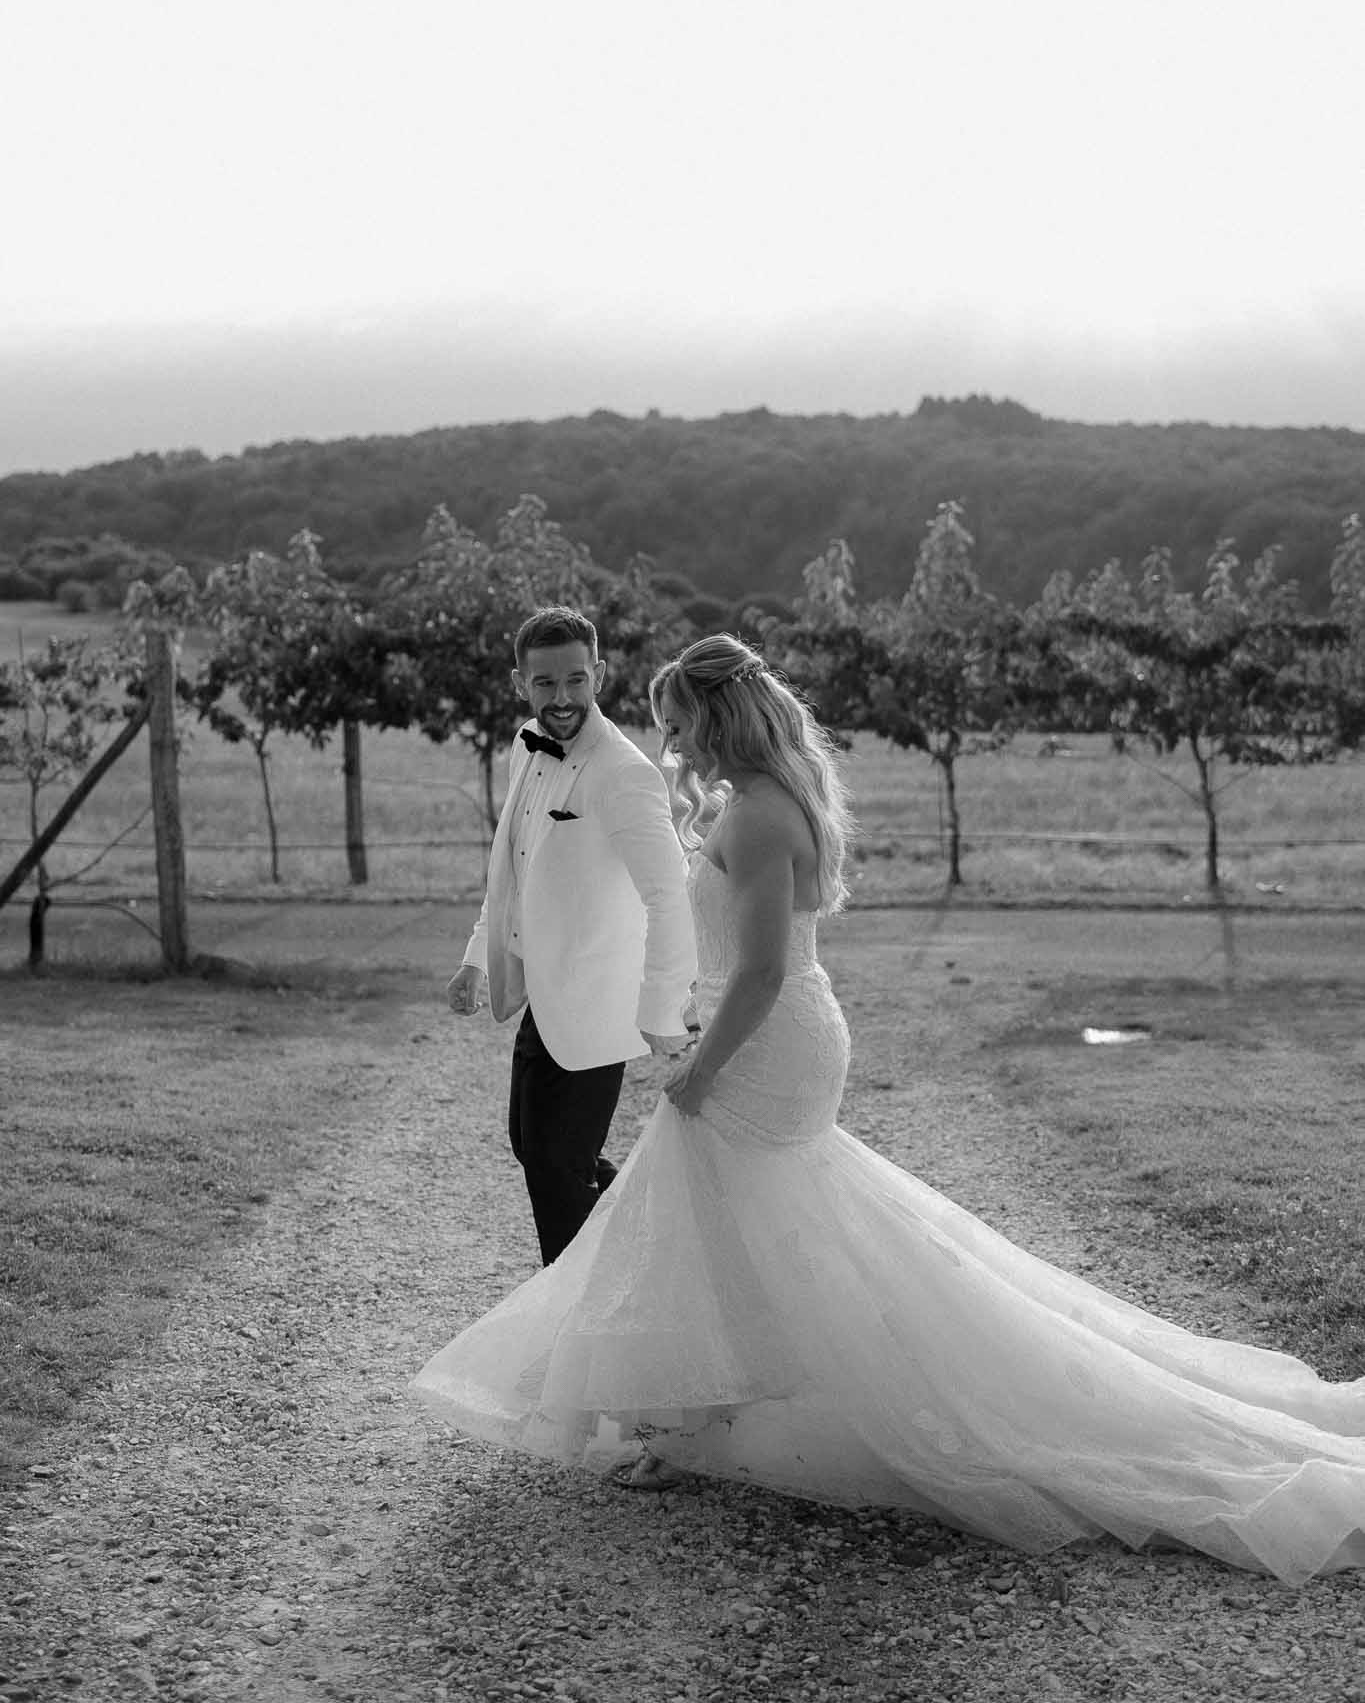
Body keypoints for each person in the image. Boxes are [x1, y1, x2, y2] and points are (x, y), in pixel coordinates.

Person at [414, 635, 1365, 1583]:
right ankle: (692, 1416)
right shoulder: (759, 803)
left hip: (766, 1038)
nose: (670, 746)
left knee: (707, 1210)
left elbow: (758, 970)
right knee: (735, 1217)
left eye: (677, 728)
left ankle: (686, 1422)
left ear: (712, 720)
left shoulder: (753, 819)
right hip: (792, 1032)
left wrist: (701, 1068)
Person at [444, 605, 697, 1265]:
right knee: (534, 1147)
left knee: (557, 1166)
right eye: (545, 683)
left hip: (595, 1002)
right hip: (542, 996)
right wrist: (479, 954)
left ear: (601, 675)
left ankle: (573, 1316)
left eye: (575, 681)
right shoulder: (524, 745)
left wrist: (665, 1010)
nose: (561, 699)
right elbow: (515, 867)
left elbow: (669, 897)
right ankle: (652, 1250)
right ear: (520, 682)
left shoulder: (625, 773)